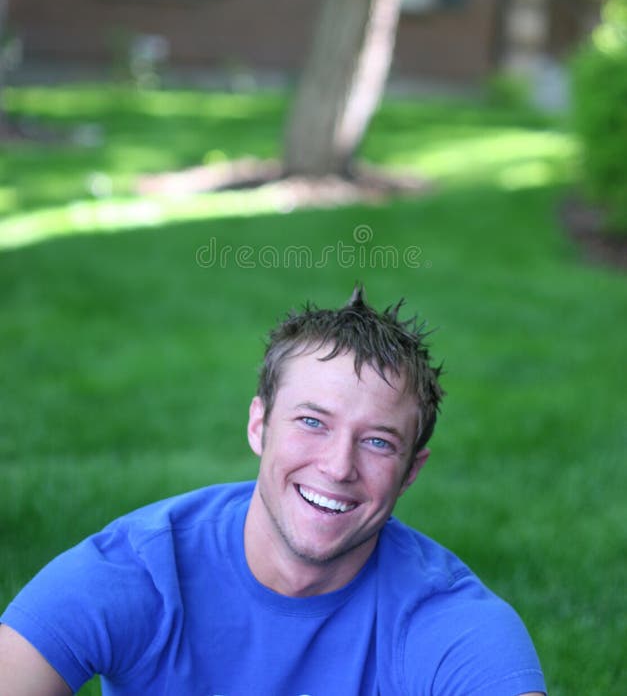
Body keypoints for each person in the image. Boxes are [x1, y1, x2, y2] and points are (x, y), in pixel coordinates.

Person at [0, 286, 546, 695]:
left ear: (410, 471)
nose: (337, 466)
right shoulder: (141, 571)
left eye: (378, 442)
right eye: (312, 422)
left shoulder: (445, 619)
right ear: (259, 425)